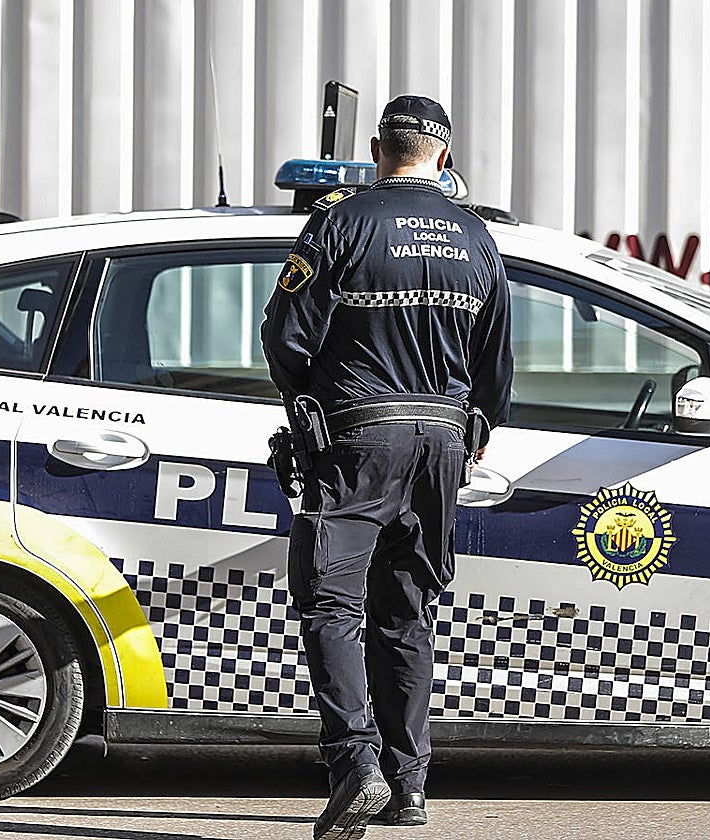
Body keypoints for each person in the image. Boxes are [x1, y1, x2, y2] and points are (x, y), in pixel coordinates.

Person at [261, 95, 513, 840]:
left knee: (331, 606)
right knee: (408, 611)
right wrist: (476, 431)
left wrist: (303, 405)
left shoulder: (342, 220)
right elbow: (495, 366)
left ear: (379, 150)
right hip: (442, 445)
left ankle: (355, 769)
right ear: (444, 155)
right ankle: (409, 786)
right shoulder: (476, 238)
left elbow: (285, 332)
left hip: (358, 440)